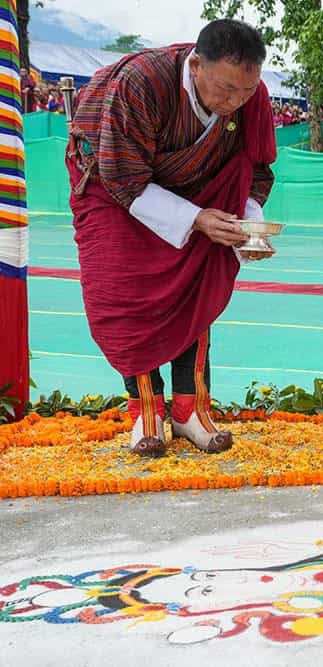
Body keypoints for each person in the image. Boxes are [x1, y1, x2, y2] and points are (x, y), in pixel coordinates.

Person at [65, 19, 276, 457]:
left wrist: (245, 226)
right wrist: (196, 218)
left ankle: (190, 410)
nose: (234, 103)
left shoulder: (250, 96)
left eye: (246, 92)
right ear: (196, 65)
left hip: (198, 187)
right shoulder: (142, 82)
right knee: (124, 290)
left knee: (197, 281)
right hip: (111, 181)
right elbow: (124, 179)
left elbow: (252, 167)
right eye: (225, 91)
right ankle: (147, 412)